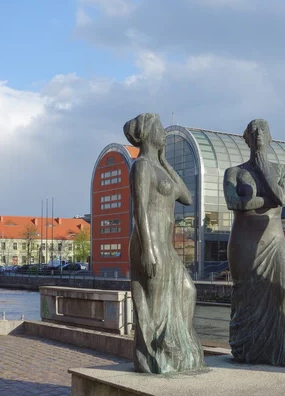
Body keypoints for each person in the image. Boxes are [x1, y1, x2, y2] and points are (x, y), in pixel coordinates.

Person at [223, 119, 285, 369]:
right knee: (245, 294)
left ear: (270, 138)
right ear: (247, 138)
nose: (259, 134)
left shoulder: (282, 169)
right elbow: (233, 203)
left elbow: (282, 197)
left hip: (274, 240)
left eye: (263, 130)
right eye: (253, 131)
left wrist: (262, 167)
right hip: (244, 244)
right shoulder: (234, 172)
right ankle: (245, 347)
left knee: (284, 291)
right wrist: (265, 200)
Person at [125, 113, 205, 374]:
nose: (165, 133)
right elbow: (139, 210)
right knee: (156, 303)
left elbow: (187, 197)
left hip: (165, 246)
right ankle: (157, 351)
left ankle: (177, 342)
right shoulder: (142, 167)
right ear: (148, 134)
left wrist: (166, 162)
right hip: (150, 242)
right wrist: (147, 248)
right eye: (160, 129)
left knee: (188, 291)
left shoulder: (158, 166)